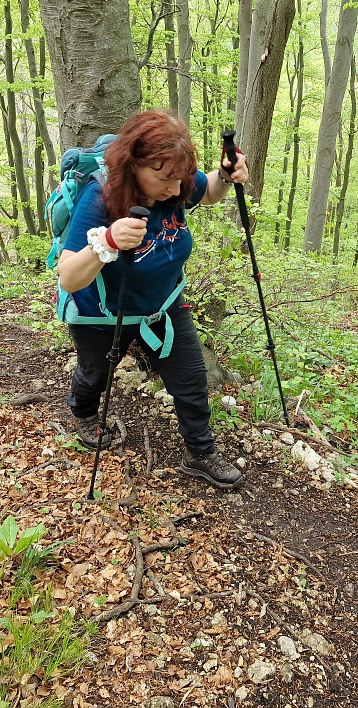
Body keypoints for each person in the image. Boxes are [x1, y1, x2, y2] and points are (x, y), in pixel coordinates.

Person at [57, 110, 248, 490]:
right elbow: (69, 276)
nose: (176, 191)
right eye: (164, 180)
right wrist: (107, 242)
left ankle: (199, 451)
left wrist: (226, 176)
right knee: (96, 375)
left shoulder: (174, 174)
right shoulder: (101, 196)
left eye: (179, 179)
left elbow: (207, 190)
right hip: (103, 313)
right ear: (133, 165)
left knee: (192, 381)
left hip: (163, 305)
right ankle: (83, 413)